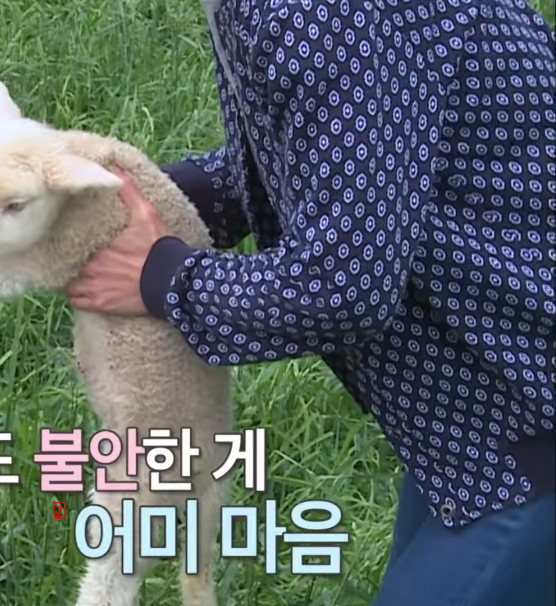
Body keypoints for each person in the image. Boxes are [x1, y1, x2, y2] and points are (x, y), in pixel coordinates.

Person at [65, 0, 556, 604]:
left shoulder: (321, 14)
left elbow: (345, 286)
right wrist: (167, 202)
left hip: (524, 425)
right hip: (468, 422)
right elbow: (353, 163)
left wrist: (167, 278)